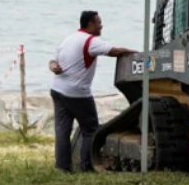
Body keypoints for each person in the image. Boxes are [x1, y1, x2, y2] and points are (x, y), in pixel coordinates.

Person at [48, 11, 136, 172]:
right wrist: (137, 54)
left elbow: (52, 60)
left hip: (57, 90)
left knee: (62, 131)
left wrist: (54, 67)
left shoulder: (69, 38)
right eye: (98, 23)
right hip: (77, 94)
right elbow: (114, 51)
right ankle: (86, 166)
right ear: (90, 24)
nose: (101, 25)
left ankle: (62, 166)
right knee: (90, 130)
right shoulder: (91, 41)